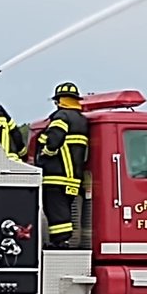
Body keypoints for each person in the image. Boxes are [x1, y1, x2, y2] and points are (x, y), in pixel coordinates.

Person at [36, 81, 91, 247]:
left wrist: (46, 153)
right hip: (73, 177)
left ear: (59, 100)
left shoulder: (61, 117)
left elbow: (54, 139)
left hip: (56, 176)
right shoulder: (81, 120)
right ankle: (63, 240)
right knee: (64, 209)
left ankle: (60, 242)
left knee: (55, 210)